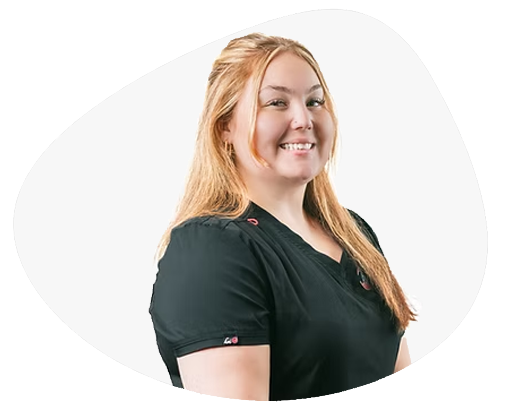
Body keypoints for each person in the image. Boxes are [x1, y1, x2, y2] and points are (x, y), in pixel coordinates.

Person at [149, 33, 417, 401]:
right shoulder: (210, 251)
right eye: (276, 103)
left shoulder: (355, 235)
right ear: (225, 125)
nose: (304, 119)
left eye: (315, 101)